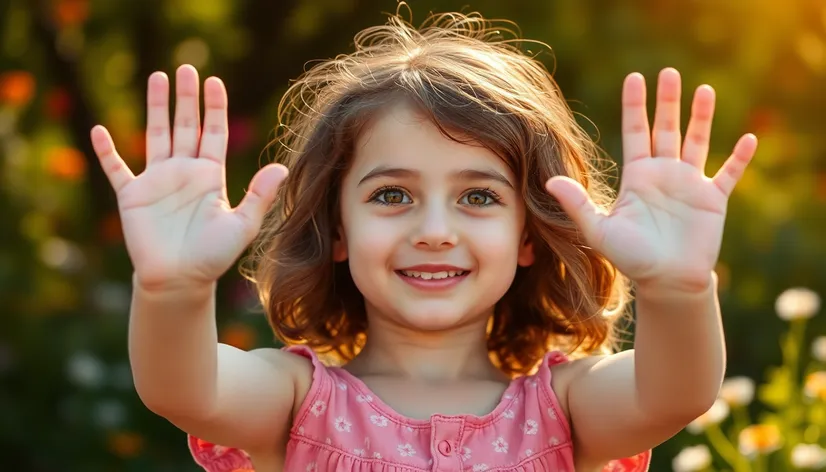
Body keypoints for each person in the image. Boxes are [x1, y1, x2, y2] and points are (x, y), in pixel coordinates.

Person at [90, 5, 758, 472]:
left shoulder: (567, 406)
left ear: (529, 233)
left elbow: (676, 392)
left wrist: (678, 287)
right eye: (391, 196)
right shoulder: (293, 399)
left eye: (477, 197)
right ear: (338, 227)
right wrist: (172, 287)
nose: (434, 232)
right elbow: (184, 389)